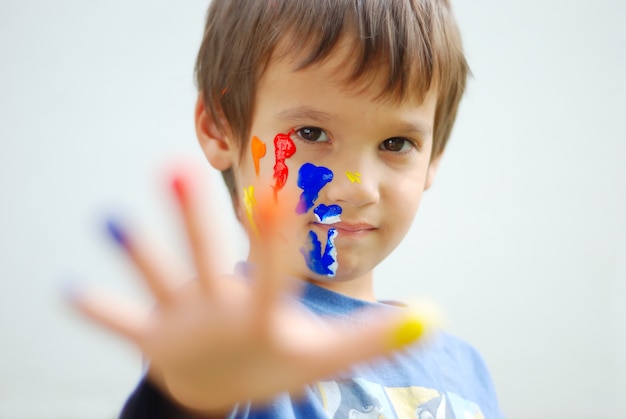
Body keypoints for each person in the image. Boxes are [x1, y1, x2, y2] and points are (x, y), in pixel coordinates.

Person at [72, 0, 504, 417]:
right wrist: (191, 393)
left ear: (434, 157)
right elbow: (198, 374)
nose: (356, 189)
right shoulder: (230, 327)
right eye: (312, 133)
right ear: (219, 129)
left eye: (396, 144)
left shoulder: (466, 368)